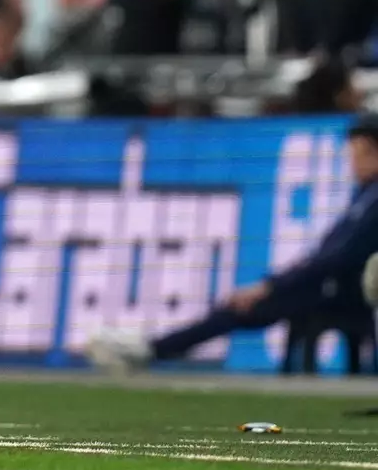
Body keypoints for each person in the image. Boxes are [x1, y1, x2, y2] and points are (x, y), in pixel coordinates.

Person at [87, 113, 378, 371]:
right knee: (246, 305)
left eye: (358, 154)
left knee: (249, 305)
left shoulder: (372, 200)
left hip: (346, 292)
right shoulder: (363, 196)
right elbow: (328, 253)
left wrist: (271, 286)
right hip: (330, 284)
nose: (352, 163)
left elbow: (338, 258)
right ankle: (153, 348)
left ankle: (151, 349)